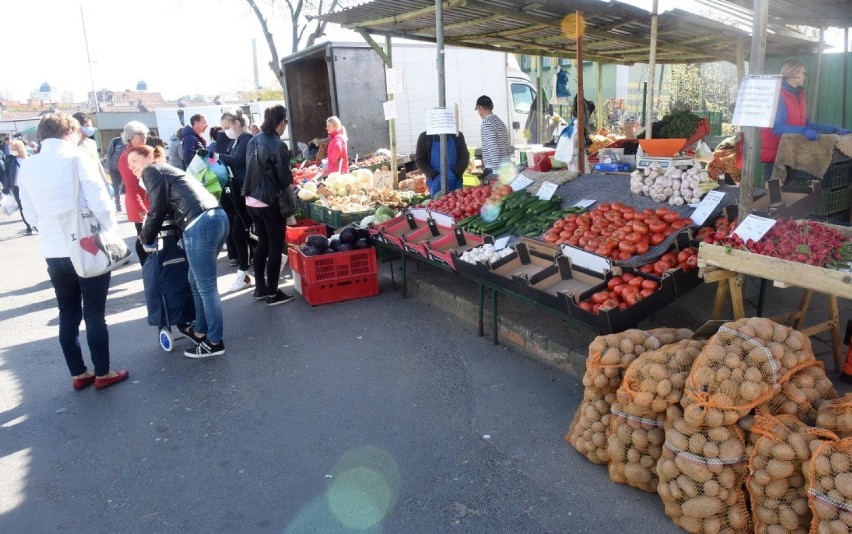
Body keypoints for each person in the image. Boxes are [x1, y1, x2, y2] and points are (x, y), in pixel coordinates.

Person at [17, 112, 128, 390]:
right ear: (69, 132)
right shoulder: (78, 158)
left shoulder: (28, 166)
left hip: (53, 250)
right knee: (94, 313)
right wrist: (108, 228)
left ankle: (79, 373)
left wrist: (48, 229)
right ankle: (103, 372)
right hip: (85, 245)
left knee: (67, 312)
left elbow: (28, 210)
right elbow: (99, 199)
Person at [129, 144, 230, 358]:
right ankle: (200, 330)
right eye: (129, 164)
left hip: (199, 224)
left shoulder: (152, 170)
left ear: (148, 158)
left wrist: (144, 237)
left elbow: (157, 209)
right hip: (216, 218)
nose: (132, 167)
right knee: (195, 280)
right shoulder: (167, 170)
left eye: (134, 161)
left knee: (206, 287)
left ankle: (214, 342)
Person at [761, 59, 850, 180]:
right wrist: (803, 130)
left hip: (794, 155)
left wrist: (834, 129)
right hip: (776, 157)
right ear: (794, 73)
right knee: (776, 196)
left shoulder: (799, 95)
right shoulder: (777, 95)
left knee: (796, 197)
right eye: (803, 73)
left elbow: (806, 123)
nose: (804, 77)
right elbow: (778, 127)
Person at [243, 105, 295, 306]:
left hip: (251, 199)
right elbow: (283, 178)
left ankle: (260, 288)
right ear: (281, 122)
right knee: (274, 247)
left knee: (263, 243)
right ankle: (273, 293)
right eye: (286, 122)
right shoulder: (277, 144)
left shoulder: (253, 139)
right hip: (269, 201)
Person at [218, 111, 254, 292]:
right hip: (239, 193)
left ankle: (244, 274)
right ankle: (245, 273)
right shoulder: (236, 142)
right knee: (241, 234)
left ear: (237, 124)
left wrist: (218, 157)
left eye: (227, 127)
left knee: (240, 233)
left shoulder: (247, 140)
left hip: (248, 194)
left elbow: (239, 161)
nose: (225, 131)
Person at [118, 121, 151, 266]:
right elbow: (131, 187)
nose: (145, 136)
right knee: (144, 239)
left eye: (146, 134)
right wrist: (141, 210)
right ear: (130, 136)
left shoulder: (142, 151)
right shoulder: (127, 157)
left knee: (150, 238)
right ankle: (148, 270)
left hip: (148, 200)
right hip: (139, 203)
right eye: (141, 134)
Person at [414, 130, 470, 198]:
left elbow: (464, 156)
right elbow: (419, 160)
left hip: (455, 180)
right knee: (437, 204)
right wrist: (433, 175)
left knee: (456, 204)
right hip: (434, 180)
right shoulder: (424, 137)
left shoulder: (457, 135)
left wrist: (456, 173)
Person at [475, 95, 512, 177]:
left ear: (479, 108)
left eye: (478, 110)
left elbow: (493, 148)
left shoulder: (486, 123)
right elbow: (507, 146)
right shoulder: (500, 122)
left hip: (495, 169)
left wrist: (495, 172)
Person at [6, 140, 34, 234]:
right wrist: (7, 187)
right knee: (22, 207)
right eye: (10, 149)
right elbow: (7, 173)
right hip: (16, 187)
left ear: (19, 148)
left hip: (30, 186)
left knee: (34, 204)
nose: (10, 150)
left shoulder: (29, 158)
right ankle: (28, 226)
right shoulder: (10, 159)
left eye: (12, 149)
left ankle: (35, 223)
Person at [105, 133, 126, 211]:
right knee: (116, 187)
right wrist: (108, 167)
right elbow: (109, 154)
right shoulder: (115, 141)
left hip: (126, 169)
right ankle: (118, 205)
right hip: (115, 168)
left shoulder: (130, 142)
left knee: (127, 187)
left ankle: (129, 205)